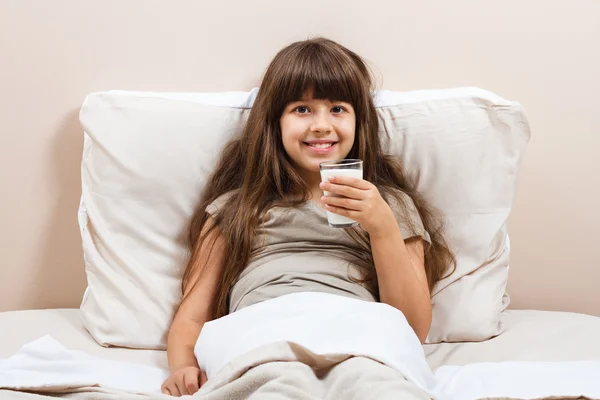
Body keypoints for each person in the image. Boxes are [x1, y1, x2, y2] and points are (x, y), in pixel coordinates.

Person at [161, 37, 455, 397]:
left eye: (337, 109)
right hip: (264, 335)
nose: (320, 125)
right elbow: (192, 315)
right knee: (280, 384)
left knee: (373, 383)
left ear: (359, 121)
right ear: (274, 123)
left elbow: (410, 328)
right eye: (302, 109)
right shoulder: (236, 209)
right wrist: (184, 367)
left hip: (360, 338)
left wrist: (382, 228)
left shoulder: (388, 206)